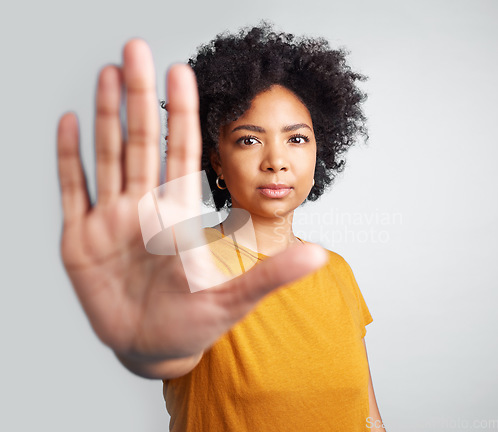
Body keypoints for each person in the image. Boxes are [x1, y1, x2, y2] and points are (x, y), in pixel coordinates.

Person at [57, 23, 385, 431]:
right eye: (249, 140)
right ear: (216, 162)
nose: (276, 161)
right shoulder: (187, 263)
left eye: (297, 139)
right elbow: (166, 349)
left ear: (320, 149)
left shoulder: (336, 271)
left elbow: (369, 417)